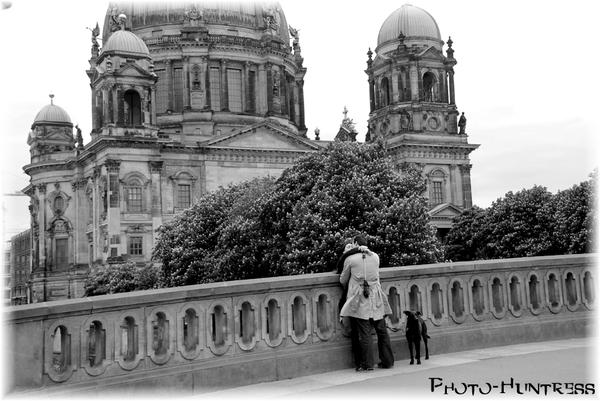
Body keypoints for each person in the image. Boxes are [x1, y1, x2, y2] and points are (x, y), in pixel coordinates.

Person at [340, 235, 394, 371]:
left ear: (356, 244)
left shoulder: (350, 259)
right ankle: (387, 361)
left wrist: (347, 253)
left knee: (364, 332)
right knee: (381, 330)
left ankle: (367, 364)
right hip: (376, 296)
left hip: (360, 298)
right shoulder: (375, 256)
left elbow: (342, 280)